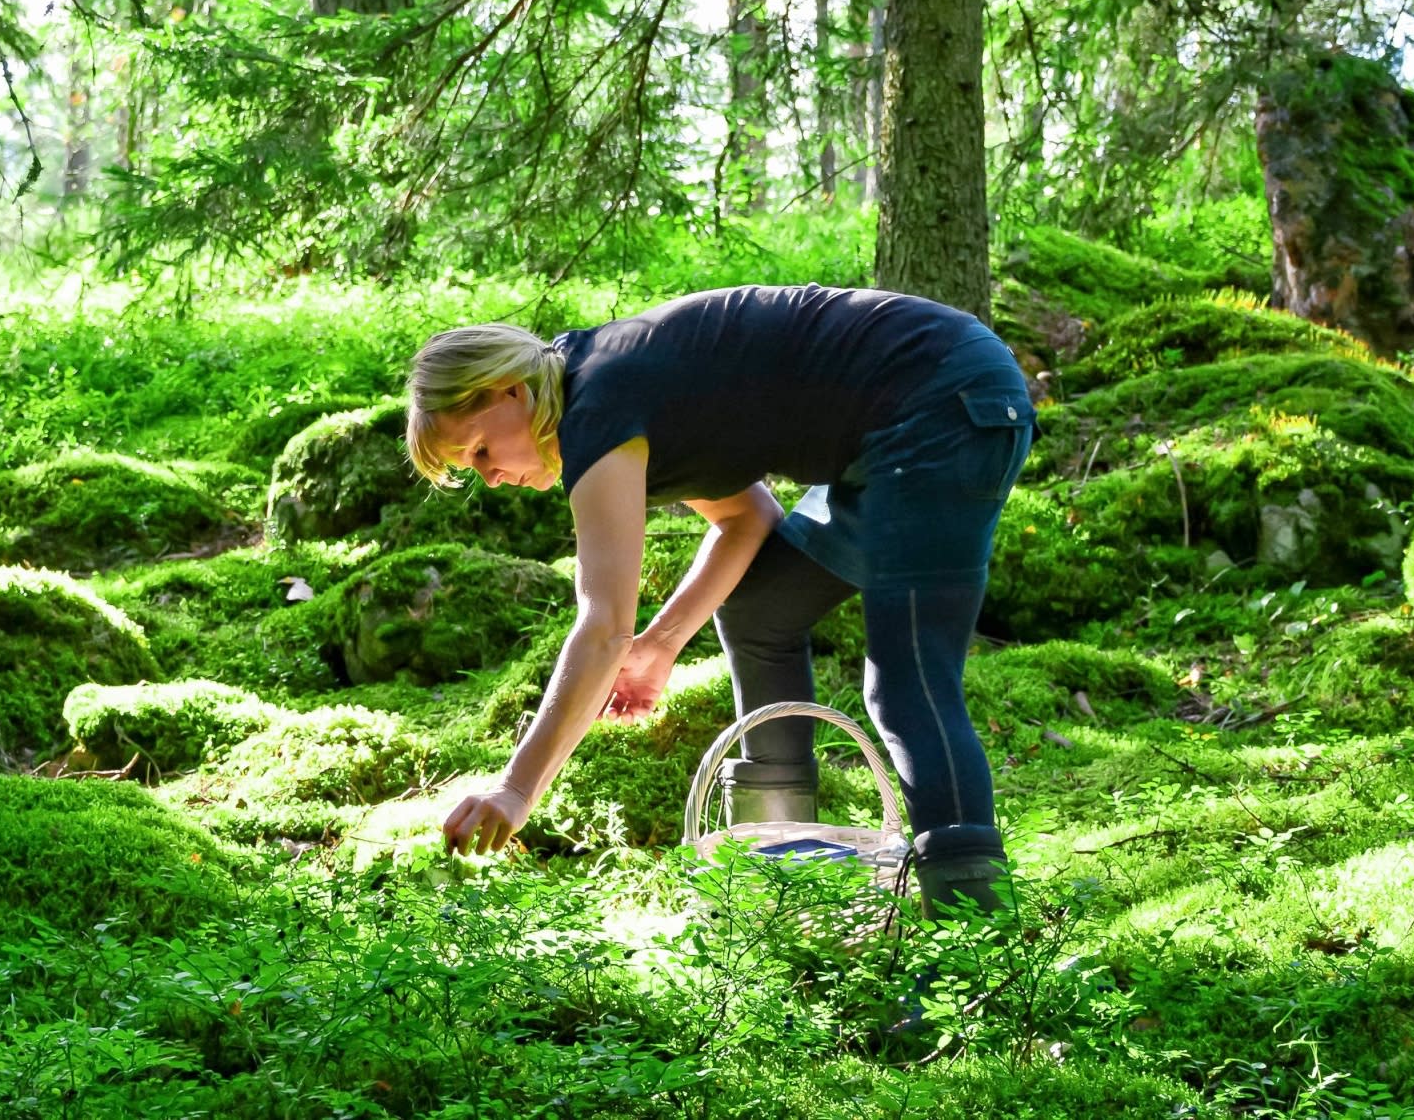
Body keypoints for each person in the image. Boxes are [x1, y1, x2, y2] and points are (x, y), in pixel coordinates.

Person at [407, 282, 1035, 920]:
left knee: (907, 683)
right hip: (892, 434)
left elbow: (601, 630)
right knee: (763, 607)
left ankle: (974, 949)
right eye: (469, 467)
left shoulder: (596, 404)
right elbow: (747, 516)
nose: (488, 475)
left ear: (509, 389)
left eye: (480, 448)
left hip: (939, 402)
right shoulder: (609, 389)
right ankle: (789, 879)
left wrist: (515, 792)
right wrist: (660, 647)